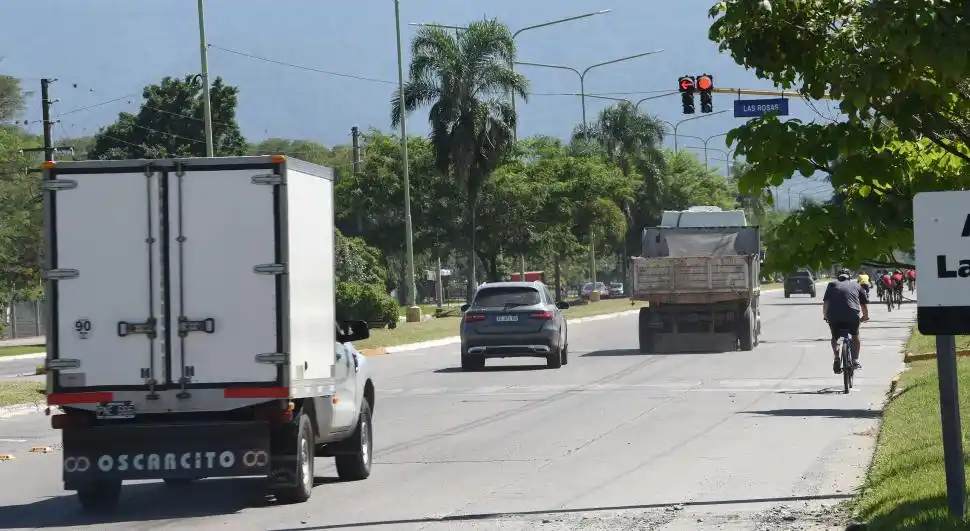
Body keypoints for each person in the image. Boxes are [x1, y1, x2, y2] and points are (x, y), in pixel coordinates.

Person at [823, 268, 869, 373]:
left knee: (835, 337)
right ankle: (855, 360)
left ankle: (836, 358)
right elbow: (863, 304)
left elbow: (826, 303)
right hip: (852, 315)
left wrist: (826, 316)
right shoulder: (857, 285)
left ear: (838, 277)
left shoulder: (832, 285)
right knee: (855, 335)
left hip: (834, 315)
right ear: (850, 277)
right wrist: (865, 316)